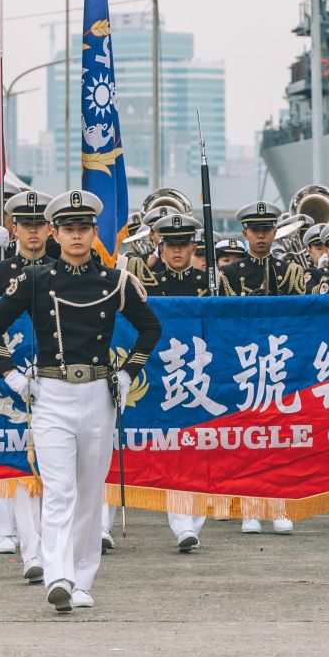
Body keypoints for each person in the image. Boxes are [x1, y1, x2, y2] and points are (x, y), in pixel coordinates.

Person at [0, 190, 162, 613]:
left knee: (89, 493)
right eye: (68, 229)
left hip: (98, 392)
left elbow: (151, 328)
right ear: (54, 233)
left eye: (83, 228)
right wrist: (11, 376)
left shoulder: (115, 281)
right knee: (59, 490)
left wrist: (128, 373)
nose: (76, 236)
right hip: (51, 393)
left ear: (95, 233)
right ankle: (58, 575)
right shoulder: (35, 279)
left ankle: (82, 578)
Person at [0, 190, 52, 577]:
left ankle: (44, 541)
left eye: (39, 224)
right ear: (13, 228)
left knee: (51, 462)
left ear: (50, 228)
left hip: (53, 377)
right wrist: (4, 372)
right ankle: (7, 531)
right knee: (5, 453)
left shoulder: (63, 270)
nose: (32, 231)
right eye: (25, 224)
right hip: (6, 378)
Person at [219, 200, 308, 534]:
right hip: (245, 365)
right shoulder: (230, 275)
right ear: (245, 233)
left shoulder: (290, 272)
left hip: (281, 364)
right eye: (255, 231)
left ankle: (280, 505)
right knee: (248, 439)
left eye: (266, 230)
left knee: (281, 438)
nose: (261, 237)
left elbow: (301, 319)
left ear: (274, 233)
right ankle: (250, 508)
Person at [135, 210, 212, 552]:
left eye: (183, 244)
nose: (177, 251)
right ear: (161, 247)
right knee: (166, 449)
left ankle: (192, 522)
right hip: (158, 372)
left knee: (199, 449)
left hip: (201, 373)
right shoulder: (147, 284)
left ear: (194, 247)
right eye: (171, 245)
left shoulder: (209, 283)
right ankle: (181, 523)